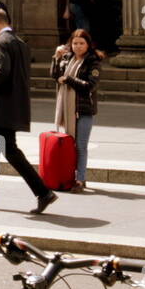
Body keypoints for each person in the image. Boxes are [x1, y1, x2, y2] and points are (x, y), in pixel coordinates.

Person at [0, 9, 57, 214]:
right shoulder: (20, 43)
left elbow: (3, 72)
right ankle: (41, 193)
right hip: (14, 106)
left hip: (1, 109)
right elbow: (10, 70)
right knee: (6, 151)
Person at [51, 29, 102, 192]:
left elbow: (90, 85)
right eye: (75, 43)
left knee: (80, 145)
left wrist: (69, 79)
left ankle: (80, 179)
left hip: (84, 109)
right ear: (70, 44)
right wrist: (56, 57)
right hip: (67, 107)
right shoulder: (66, 58)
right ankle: (69, 176)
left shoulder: (93, 62)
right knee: (70, 144)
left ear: (88, 45)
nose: (78, 46)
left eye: (82, 43)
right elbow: (55, 75)